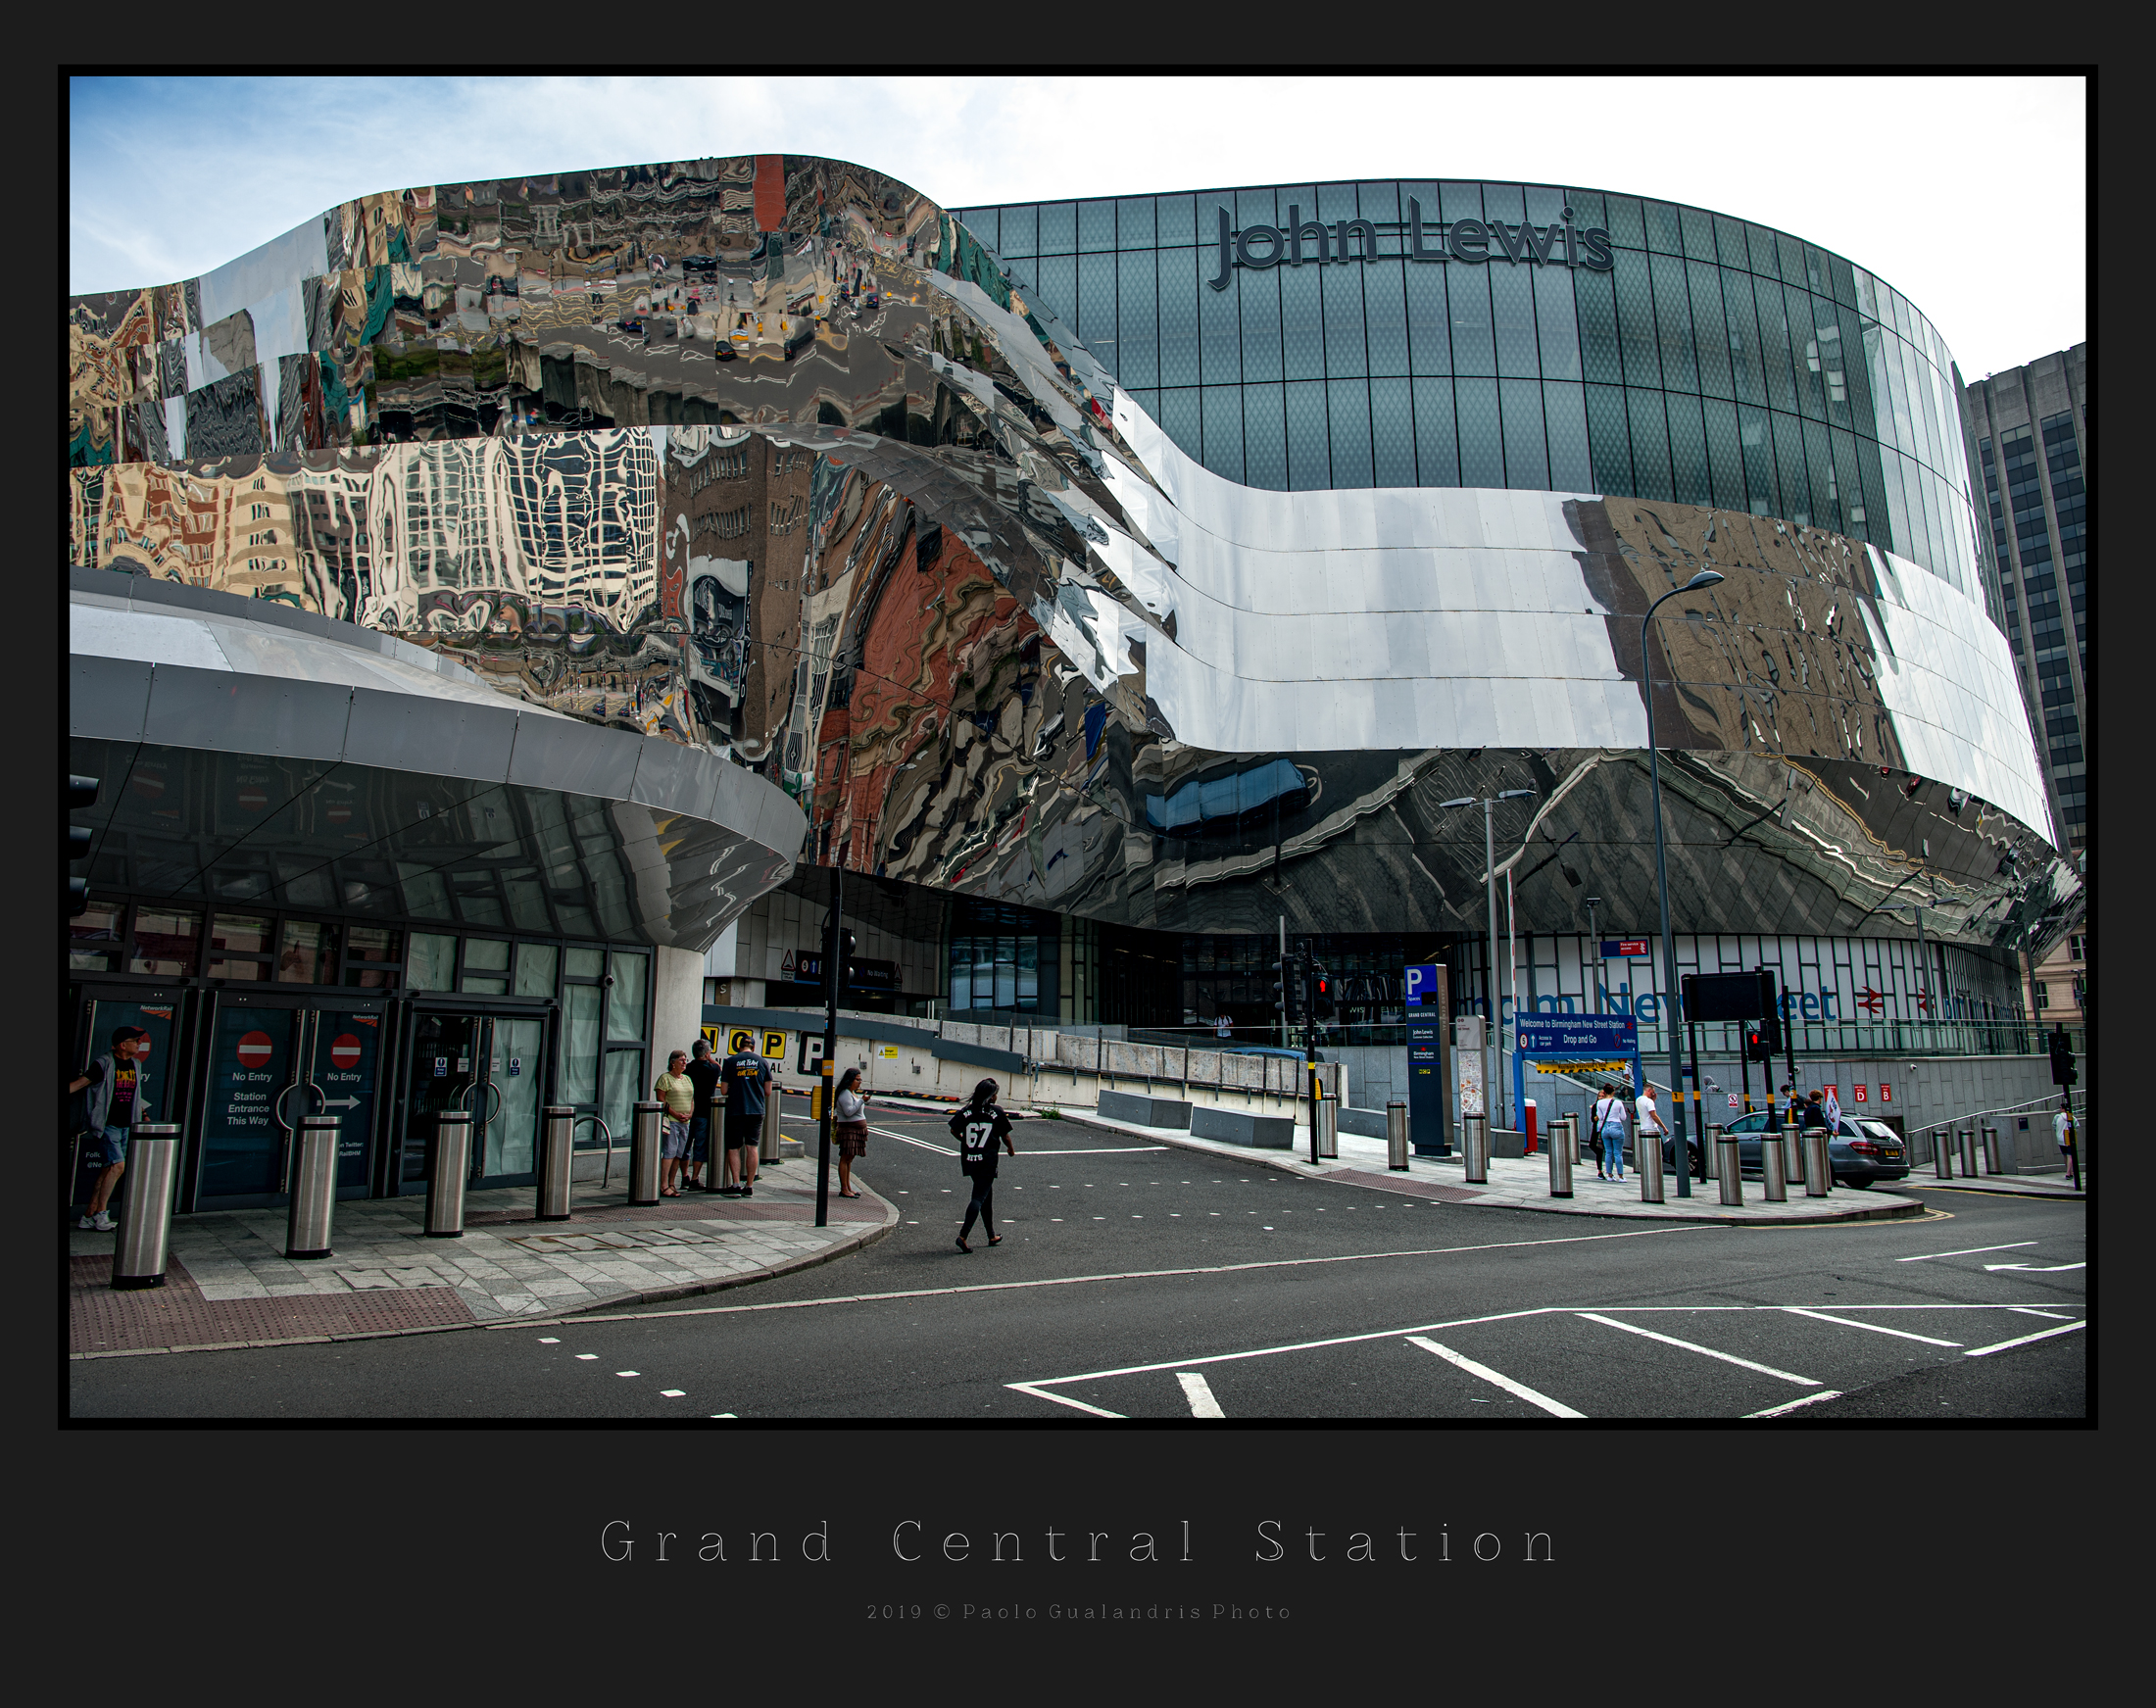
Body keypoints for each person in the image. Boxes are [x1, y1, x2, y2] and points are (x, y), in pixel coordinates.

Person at [70, 1027, 151, 1231]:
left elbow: (135, 1093)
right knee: (118, 1166)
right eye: (135, 1040)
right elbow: (80, 1084)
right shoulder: (104, 1064)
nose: (139, 1043)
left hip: (126, 1125)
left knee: (108, 1168)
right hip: (108, 1125)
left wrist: (143, 1114)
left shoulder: (135, 1064)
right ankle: (101, 1214)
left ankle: (88, 1215)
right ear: (123, 1045)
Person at [949, 1078, 1015, 1252]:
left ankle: (991, 1235)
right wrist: (1010, 1149)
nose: (996, 1098)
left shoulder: (967, 1111)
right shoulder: (996, 1112)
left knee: (986, 1196)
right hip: (987, 1161)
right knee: (978, 1197)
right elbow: (1005, 1135)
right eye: (994, 1095)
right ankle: (963, 1236)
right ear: (990, 1096)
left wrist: (964, 1141)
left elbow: (954, 1129)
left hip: (971, 1159)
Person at [720, 1040, 773, 1196]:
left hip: (735, 1110)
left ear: (738, 1047)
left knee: (734, 1147)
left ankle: (736, 1184)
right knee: (752, 1147)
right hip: (756, 1110)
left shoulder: (730, 1061)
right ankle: (749, 1186)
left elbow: (723, 1090)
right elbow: (768, 1091)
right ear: (754, 1047)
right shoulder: (762, 1062)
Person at [654, 1050, 697, 1196]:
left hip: (685, 1122)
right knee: (669, 1152)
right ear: (672, 1063)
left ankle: (672, 1182)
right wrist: (675, 1114)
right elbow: (661, 1100)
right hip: (671, 1121)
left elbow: (691, 1099)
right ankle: (663, 1184)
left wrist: (690, 1113)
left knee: (679, 1153)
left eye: (685, 1060)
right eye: (681, 1060)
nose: (684, 1063)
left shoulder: (687, 1079)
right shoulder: (665, 1079)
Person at [684, 1038, 722, 1192]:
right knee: (699, 1146)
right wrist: (709, 1057)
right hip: (704, 1113)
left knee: (685, 1146)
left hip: (687, 1112)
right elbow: (719, 1067)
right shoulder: (712, 1070)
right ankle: (695, 1178)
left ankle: (684, 1175)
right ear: (707, 1053)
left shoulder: (687, 1069)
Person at [833, 1068, 869, 1198]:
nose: (860, 1082)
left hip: (857, 1130)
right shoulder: (844, 1094)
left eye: (860, 1080)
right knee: (845, 1158)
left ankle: (848, 1187)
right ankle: (844, 1189)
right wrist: (862, 1101)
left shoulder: (851, 1093)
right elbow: (848, 1112)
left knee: (849, 1159)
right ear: (850, 1080)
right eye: (857, 1079)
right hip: (849, 1130)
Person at [1592, 1085, 1627, 1180]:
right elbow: (1624, 1117)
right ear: (1613, 1092)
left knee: (1608, 1152)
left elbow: (1601, 1117)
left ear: (1605, 1092)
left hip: (1605, 1128)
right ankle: (1621, 1176)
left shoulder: (1599, 1103)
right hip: (1616, 1126)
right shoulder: (1618, 1102)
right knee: (1618, 1153)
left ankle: (1610, 1175)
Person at [1636, 1082, 1668, 1177]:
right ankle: (1656, 1172)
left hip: (1643, 1129)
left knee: (1647, 1153)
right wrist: (1664, 1127)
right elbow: (1653, 1115)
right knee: (1658, 1153)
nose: (1653, 1094)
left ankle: (1648, 1171)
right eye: (1652, 1092)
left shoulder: (1638, 1100)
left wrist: (1652, 1100)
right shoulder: (1649, 1102)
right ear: (1649, 1090)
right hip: (1652, 1129)